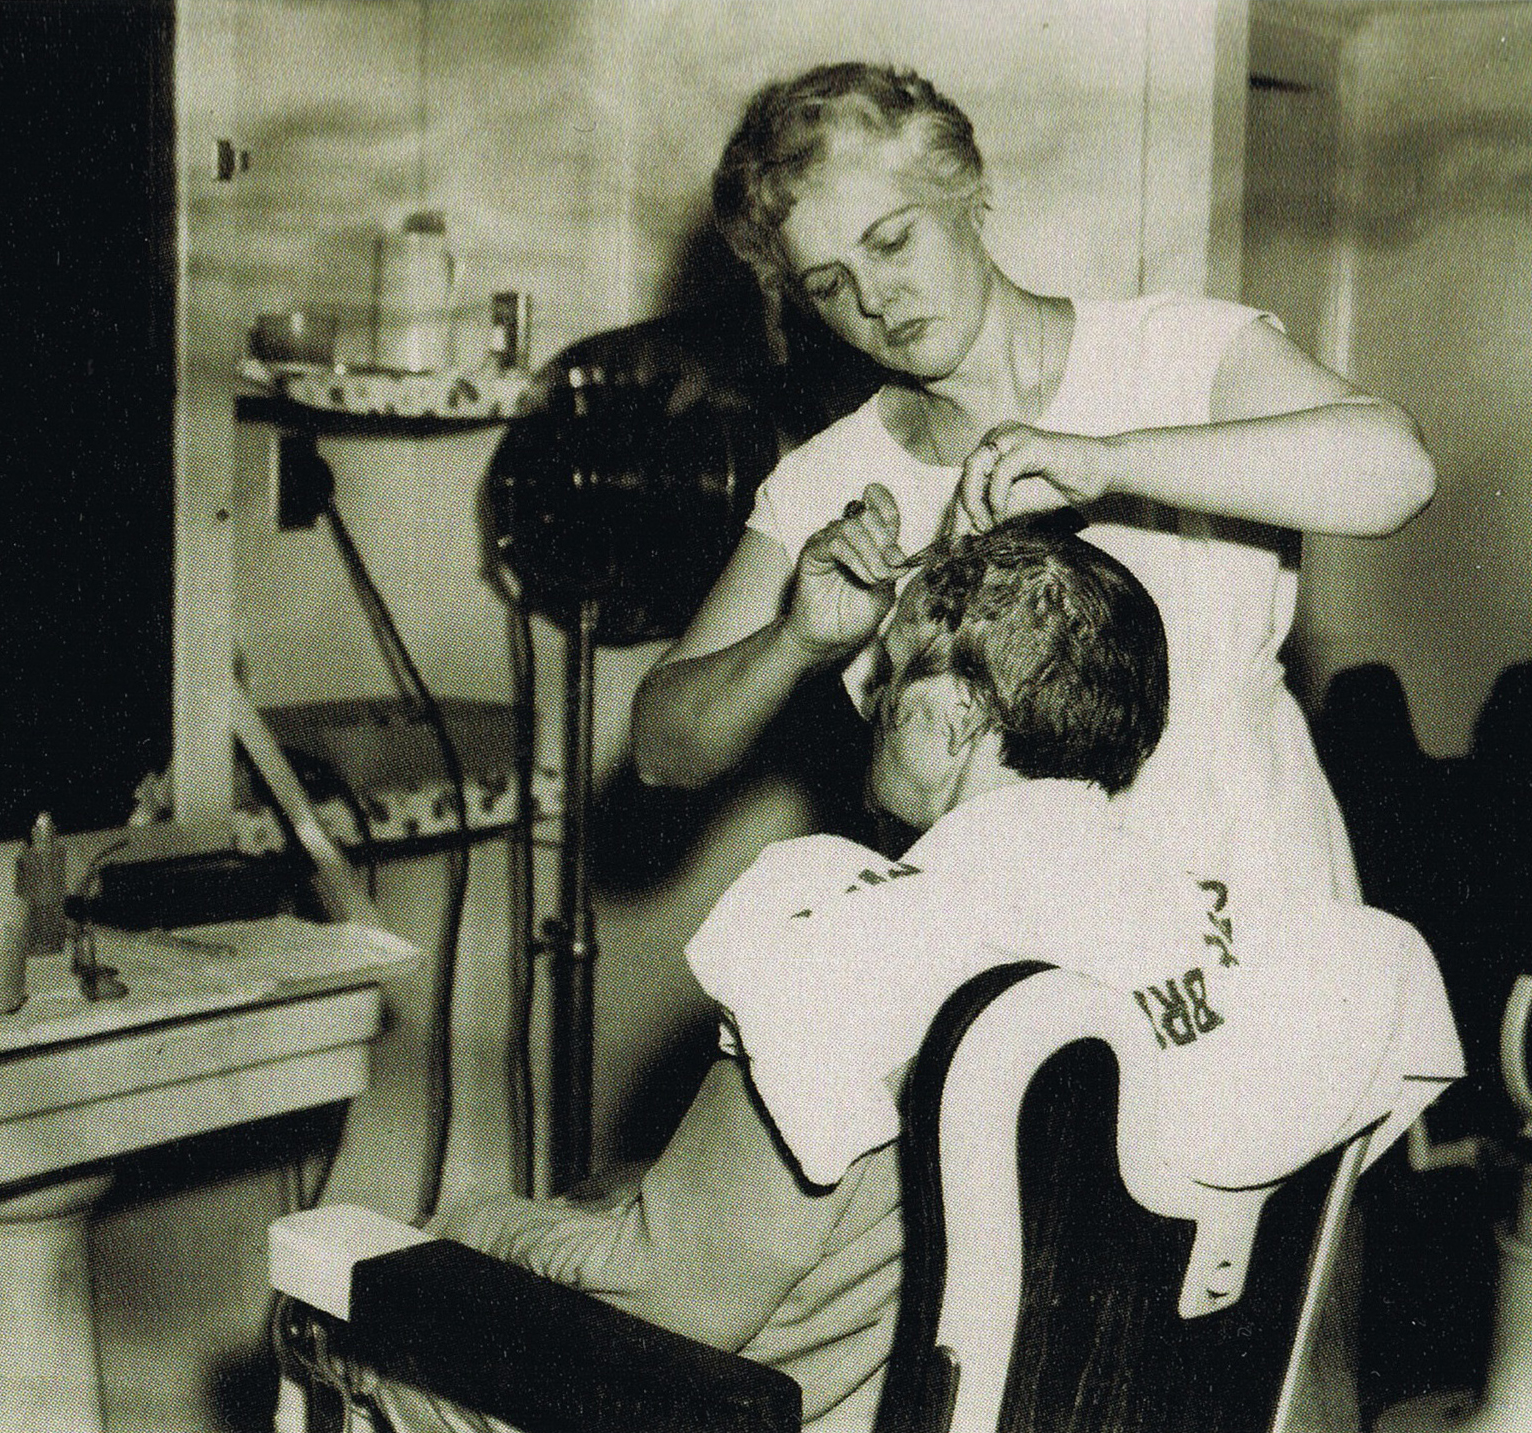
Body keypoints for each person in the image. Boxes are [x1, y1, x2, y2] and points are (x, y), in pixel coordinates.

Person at [314, 520, 1459, 1433]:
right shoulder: (1253, 930)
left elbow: (676, 1298)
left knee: (341, 1294)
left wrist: (467, 1221)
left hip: (774, 1407)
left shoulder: (848, 936)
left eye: (889, 678)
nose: (865, 705)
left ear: (954, 718)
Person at [631, 61, 1436, 903]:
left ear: (962, 188)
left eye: (891, 239)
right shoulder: (829, 479)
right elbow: (660, 750)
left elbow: (1397, 471)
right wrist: (796, 642)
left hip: (1241, 870)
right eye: (828, 284)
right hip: (1004, 913)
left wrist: (1107, 458)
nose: (874, 298)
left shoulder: (1176, 352)